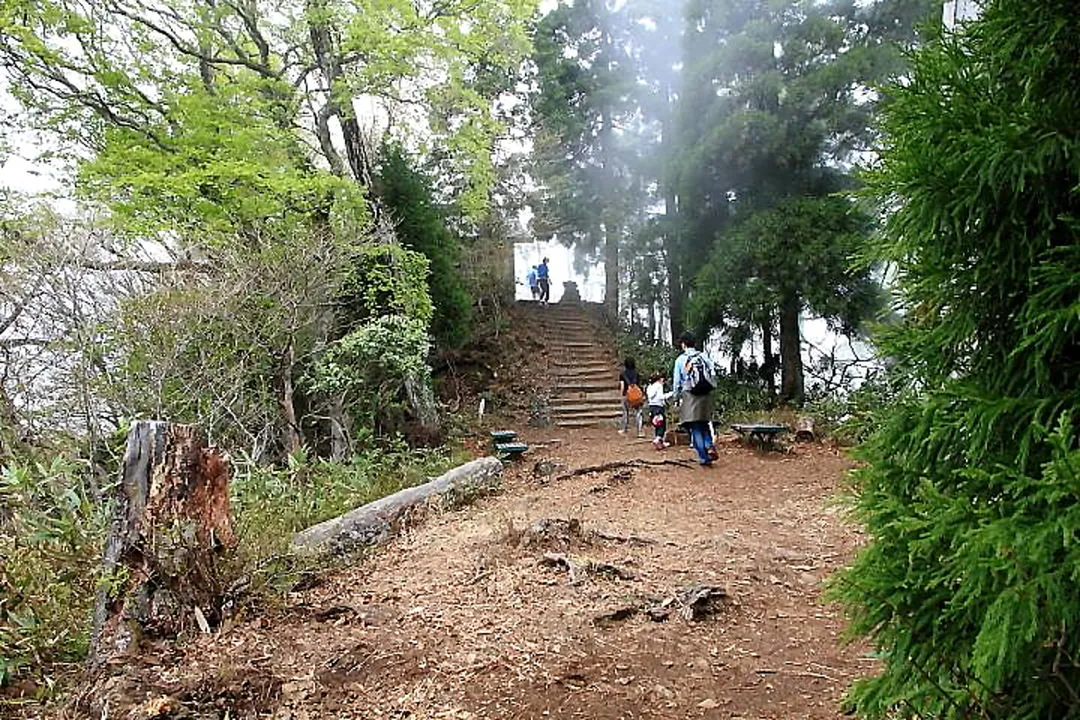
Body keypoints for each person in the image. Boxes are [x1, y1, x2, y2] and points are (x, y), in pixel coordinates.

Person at [672, 332, 719, 466]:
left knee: (695, 427)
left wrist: (676, 396)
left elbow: (677, 382)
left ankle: (704, 457)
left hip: (690, 395)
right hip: (705, 393)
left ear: (683, 344)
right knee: (704, 422)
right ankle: (709, 445)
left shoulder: (680, 360)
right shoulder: (703, 356)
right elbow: (712, 372)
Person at [646, 372, 672, 450]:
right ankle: (658, 439)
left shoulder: (650, 387)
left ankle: (660, 441)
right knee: (662, 425)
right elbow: (661, 397)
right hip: (659, 407)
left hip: (652, 407)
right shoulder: (659, 386)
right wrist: (670, 394)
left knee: (657, 424)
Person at [618, 357, 644, 436]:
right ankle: (640, 431)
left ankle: (624, 429)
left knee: (625, 412)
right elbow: (640, 385)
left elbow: (622, 385)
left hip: (627, 394)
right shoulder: (637, 374)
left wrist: (621, 395)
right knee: (638, 413)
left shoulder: (623, 374)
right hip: (636, 395)